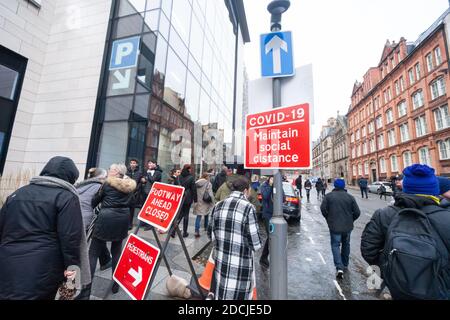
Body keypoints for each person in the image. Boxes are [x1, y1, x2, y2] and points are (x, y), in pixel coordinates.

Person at [0, 156, 89, 300]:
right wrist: (72, 270)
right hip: (43, 269)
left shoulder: (18, 193)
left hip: (7, 263)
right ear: (71, 177)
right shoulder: (66, 197)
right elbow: (70, 239)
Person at [361, 164, 450, 300]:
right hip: (439, 290)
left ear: (406, 188)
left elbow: (368, 250)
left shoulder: (384, 214)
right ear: (435, 189)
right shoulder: (446, 216)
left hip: (398, 288)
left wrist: (390, 269)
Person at [209, 176, 262, 300]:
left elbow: (211, 235)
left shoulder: (218, 206)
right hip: (240, 269)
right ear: (245, 191)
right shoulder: (249, 208)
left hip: (221, 264)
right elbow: (256, 244)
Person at [89, 163, 136, 294]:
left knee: (93, 253)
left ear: (116, 172)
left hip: (106, 218)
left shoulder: (107, 184)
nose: (109, 170)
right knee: (116, 252)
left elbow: (94, 201)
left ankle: (86, 286)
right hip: (122, 219)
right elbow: (132, 203)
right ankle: (115, 285)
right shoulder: (130, 186)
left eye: (111, 169)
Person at [320, 179, 360, 279]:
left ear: (334, 186)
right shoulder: (350, 197)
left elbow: (323, 209)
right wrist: (351, 220)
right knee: (346, 244)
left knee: (335, 245)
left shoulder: (328, 196)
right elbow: (357, 212)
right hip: (347, 226)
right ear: (344, 186)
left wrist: (329, 218)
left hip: (334, 226)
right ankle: (345, 264)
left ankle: (339, 267)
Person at [177, 164, 198, 238]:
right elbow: (194, 190)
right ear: (188, 169)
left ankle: (173, 230)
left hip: (180, 197)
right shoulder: (191, 178)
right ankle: (185, 232)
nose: (191, 170)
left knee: (179, 214)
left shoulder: (179, 177)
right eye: (190, 169)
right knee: (186, 214)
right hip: (187, 198)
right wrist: (195, 200)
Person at [142, 160, 162, 230]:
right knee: (145, 207)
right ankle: (144, 222)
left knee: (151, 208)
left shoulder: (158, 172)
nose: (149, 164)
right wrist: (144, 180)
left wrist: (148, 175)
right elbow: (144, 179)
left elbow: (153, 180)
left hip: (153, 193)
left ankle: (150, 224)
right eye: (148, 163)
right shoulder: (147, 171)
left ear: (155, 164)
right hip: (145, 192)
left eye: (151, 163)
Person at [193, 173, 215, 238]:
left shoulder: (196, 183)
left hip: (198, 201)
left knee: (198, 217)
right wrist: (213, 202)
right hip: (205, 202)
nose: (209, 177)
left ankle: (196, 231)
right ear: (207, 177)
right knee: (206, 214)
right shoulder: (208, 184)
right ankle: (206, 227)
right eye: (209, 176)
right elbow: (210, 194)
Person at [259, 177, 274, 268]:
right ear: (269, 178)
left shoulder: (278, 185)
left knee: (273, 237)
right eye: (272, 178)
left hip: (276, 214)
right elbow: (265, 196)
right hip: (268, 214)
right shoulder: (264, 186)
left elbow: (283, 198)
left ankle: (264, 257)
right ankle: (263, 257)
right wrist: (271, 186)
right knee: (271, 236)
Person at [126, 159, 143, 230]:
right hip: (126, 192)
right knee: (125, 209)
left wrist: (135, 189)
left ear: (136, 164)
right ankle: (125, 223)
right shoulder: (126, 172)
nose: (132, 164)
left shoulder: (139, 173)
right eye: (131, 163)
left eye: (134, 163)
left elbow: (140, 183)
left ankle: (130, 224)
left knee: (131, 210)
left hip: (134, 194)